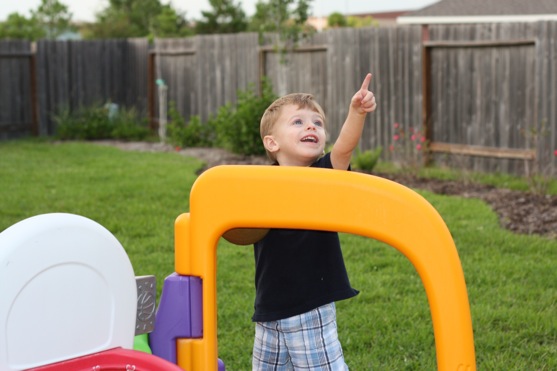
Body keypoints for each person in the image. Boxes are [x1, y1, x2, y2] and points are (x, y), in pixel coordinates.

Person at [224, 73, 376, 370]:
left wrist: (356, 113)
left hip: (310, 307)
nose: (311, 126)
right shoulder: (263, 184)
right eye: (298, 122)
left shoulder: (322, 176)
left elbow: (344, 148)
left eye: (317, 123)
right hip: (268, 309)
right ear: (272, 142)